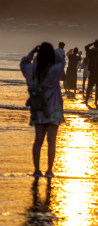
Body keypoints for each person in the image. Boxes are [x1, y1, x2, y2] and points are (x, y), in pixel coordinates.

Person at [20, 43, 66, 177]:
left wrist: (33, 51)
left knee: (38, 140)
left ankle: (36, 170)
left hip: (38, 107)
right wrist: (54, 53)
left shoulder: (32, 69)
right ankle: (50, 170)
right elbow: (62, 61)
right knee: (52, 140)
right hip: (54, 107)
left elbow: (23, 62)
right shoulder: (55, 69)